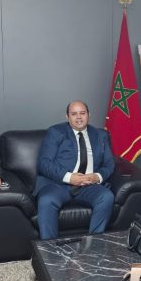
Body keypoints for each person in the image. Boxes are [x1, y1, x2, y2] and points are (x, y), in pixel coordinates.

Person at [35, 100, 115, 240]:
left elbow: (109, 163)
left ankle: (94, 244)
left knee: (106, 196)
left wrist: (97, 176)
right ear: (67, 117)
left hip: (88, 185)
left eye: (82, 113)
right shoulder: (55, 132)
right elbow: (44, 163)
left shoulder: (100, 135)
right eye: (74, 114)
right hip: (59, 184)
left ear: (89, 115)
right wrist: (69, 177)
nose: (78, 117)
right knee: (46, 200)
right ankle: (50, 249)